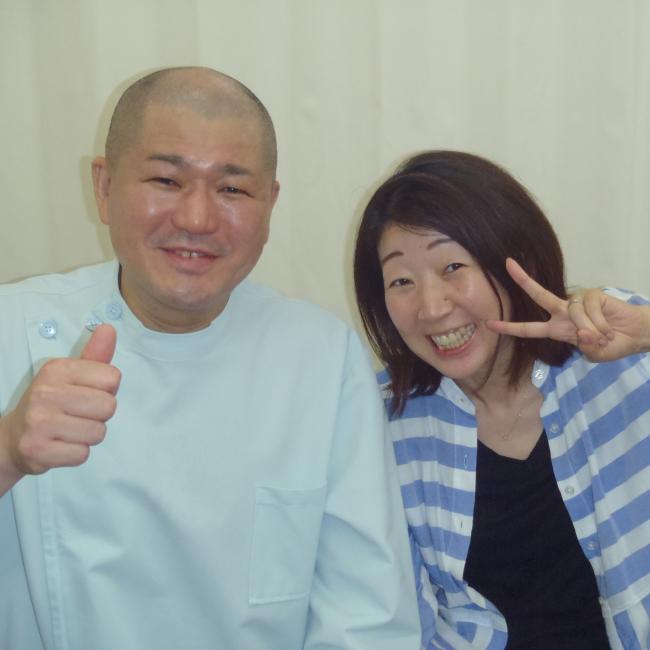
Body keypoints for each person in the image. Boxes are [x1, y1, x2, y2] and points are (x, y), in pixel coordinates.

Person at [0, 67, 421, 650]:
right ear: (104, 185)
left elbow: (365, 616)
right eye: (166, 180)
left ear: (269, 204)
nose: (196, 219)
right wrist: (8, 450)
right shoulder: (12, 328)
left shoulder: (322, 357)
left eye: (232, 190)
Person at [353, 150, 650, 649]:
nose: (432, 307)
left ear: (516, 260)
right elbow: (400, 619)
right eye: (401, 281)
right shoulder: (386, 425)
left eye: (452, 266)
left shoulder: (619, 348)